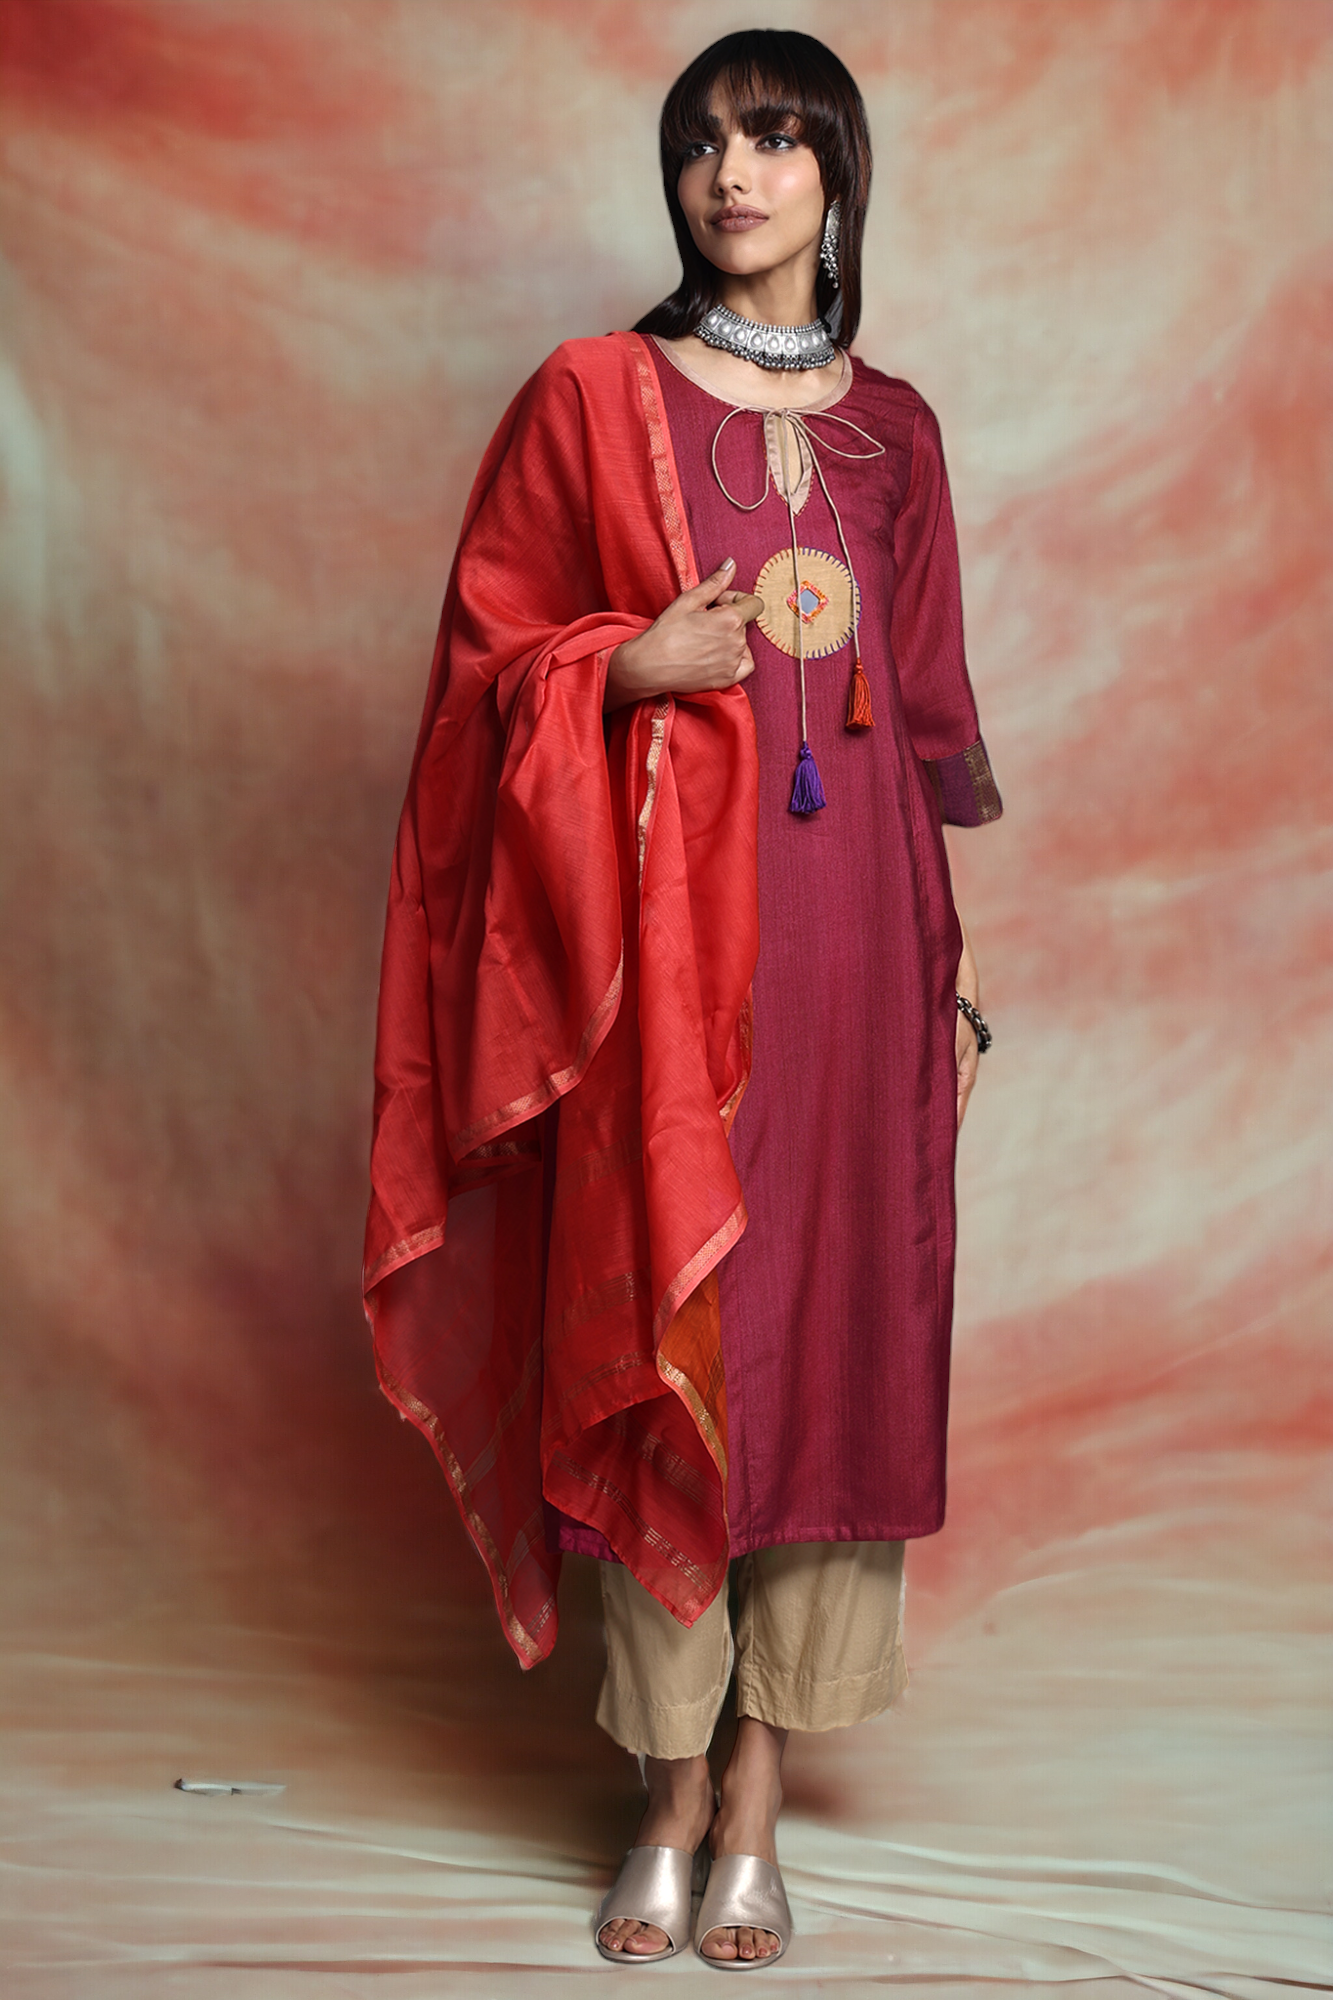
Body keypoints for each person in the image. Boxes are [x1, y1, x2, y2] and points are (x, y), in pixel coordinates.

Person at [364, 28, 1000, 1970]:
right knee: (674, 1317)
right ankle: (661, 1784)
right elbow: (486, 668)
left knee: (835, 1332)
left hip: (865, 947)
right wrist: (622, 670)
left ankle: (757, 1792)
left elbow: (921, 722)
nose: (735, 173)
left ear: (839, 178)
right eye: (705, 142)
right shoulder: (594, 396)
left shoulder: (898, 430)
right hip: (667, 955)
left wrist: (954, 967)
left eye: (777, 138)